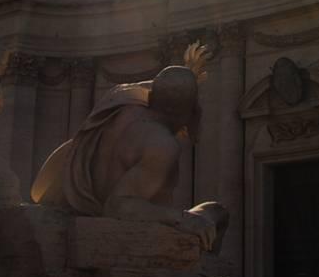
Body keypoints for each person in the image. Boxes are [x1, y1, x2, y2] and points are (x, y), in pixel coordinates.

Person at [31, 44, 225, 251]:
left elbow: (160, 89)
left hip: (68, 199)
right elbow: (118, 206)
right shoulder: (162, 145)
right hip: (110, 224)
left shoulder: (120, 99)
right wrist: (182, 219)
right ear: (187, 111)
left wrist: (188, 76)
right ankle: (197, 271)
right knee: (217, 213)